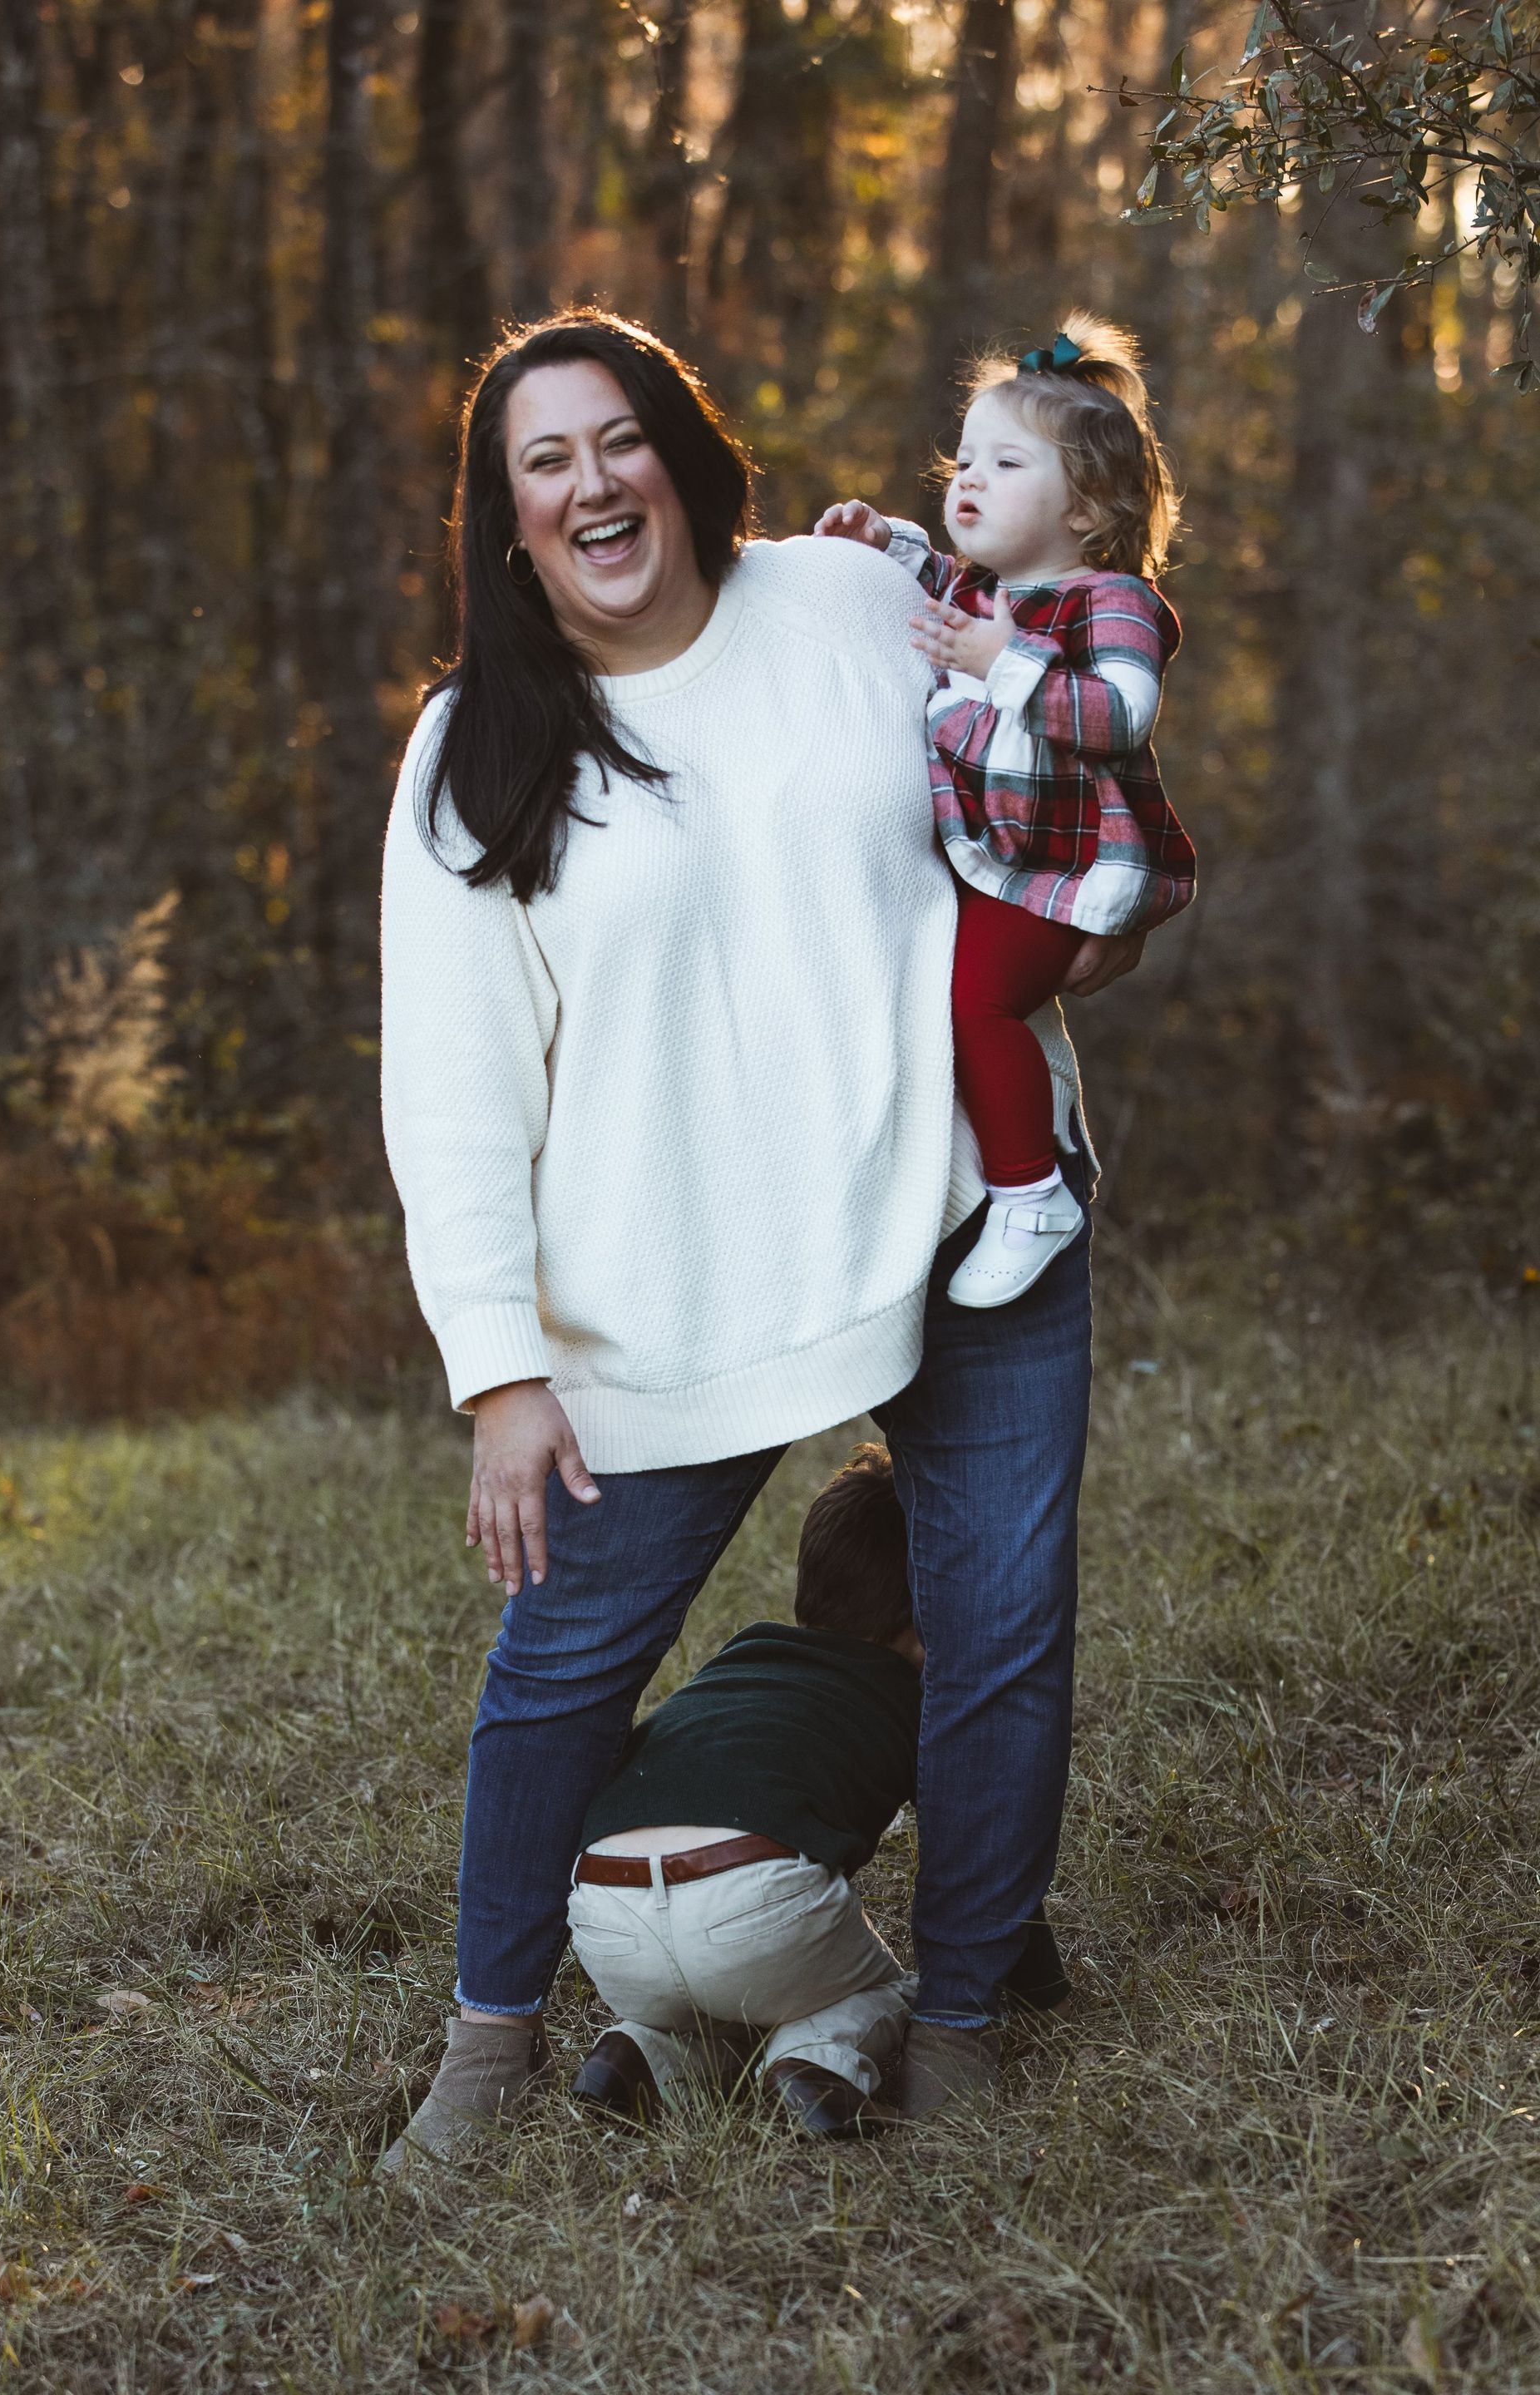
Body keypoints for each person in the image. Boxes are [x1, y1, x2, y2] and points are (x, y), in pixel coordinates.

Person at [376, 309, 1144, 2178]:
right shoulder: (480, 748)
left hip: (965, 1221)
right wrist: (499, 1372)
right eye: (544, 461)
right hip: (669, 1289)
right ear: (505, 515)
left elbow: (1043, 772)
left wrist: (1095, 910)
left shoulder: (848, 604)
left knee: (995, 1640)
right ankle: (487, 2047)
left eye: (618, 439)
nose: (591, 484)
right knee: (557, 1667)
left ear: (683, 455)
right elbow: (456, 1093)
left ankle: (957, 2023)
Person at [816, 311, 1195, 1311]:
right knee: (942, 997)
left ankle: (1030, 1192)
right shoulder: (987, 588)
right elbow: (931, 581)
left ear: (1087, 508)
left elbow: (1121, 712)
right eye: (965, 459)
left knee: (972, 1003)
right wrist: (878, 541)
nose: (969, 480)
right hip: (1001, 861)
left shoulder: (1109, 598)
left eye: (1006, 464)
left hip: (1068, 870)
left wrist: (1004, 664)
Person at [566, 1444, 1072, 2143]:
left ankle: (640, 2052)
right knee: (893, 1990)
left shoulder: (739, 1660)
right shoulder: (916, 1698)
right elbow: (981, 1841)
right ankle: (816, 2064)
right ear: (932, 1613)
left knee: (728, 2000)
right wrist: (1040, 1985)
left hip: (603, 1909)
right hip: (754, 1892)